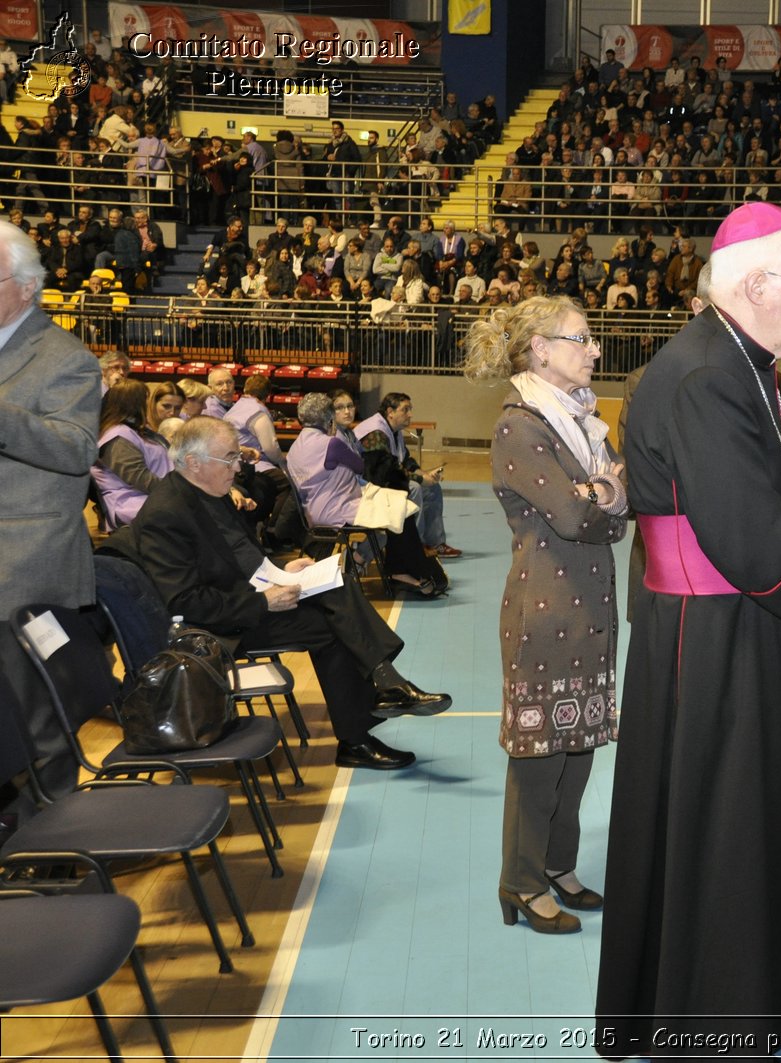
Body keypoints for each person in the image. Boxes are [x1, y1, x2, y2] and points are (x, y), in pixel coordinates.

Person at [596, 202, 781, 1056]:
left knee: (751, 814)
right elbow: (751, 538)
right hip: (720, 630)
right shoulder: (711, 371)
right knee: (728, 821)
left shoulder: (739, 360)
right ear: (755, 284)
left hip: (732, 623)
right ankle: (716, 1015)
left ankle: (757, 987)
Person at [102, 417, 453, 771]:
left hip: (246, 598)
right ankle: (374, 706)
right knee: (332, 624)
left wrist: (281, 572)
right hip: (217, 627)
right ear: (193, 463)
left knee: (337, 586)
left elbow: (239, 558)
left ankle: (376, 703)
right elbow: (185, 602)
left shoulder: (210, 492)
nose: (238, 467)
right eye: (229, 458)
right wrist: (264, 601)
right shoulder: (167, 513)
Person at [462, 295, 628, 936]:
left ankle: (559, 865)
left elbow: (621, 494)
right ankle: (520, 882)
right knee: (539, 755)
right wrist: (601, 492)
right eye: (581, 338)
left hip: (587, 607)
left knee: (580, 745)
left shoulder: (581, 421)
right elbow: (576, 515)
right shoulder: (521, 425)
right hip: (545, 607)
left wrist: (604, 491)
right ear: (541, 349)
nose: (594, 350)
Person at [0, 220, 102, 805]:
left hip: (25, 564)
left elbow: (75, 450)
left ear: (26, 285)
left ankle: (57, 840)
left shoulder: (66, 358)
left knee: (36, 713)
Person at [285, 394, 446, 598]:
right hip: (336, 508)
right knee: (399, 510)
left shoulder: (295, 446)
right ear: (328, 418)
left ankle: (363, 560)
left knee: (395, 510)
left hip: (315, 508)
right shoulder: (331, 443)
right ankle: (399, 572)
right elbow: (359, 465)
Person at [355, 393, 459, 559]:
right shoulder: (375, 433)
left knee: (431, 488)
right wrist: (418, 479)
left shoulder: (394, 430)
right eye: (405, 410)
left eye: (410, 409)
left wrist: (424, 475)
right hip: (367, 487)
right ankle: (414, 548)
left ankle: (434, 543)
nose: (410, 414)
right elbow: (384, 471)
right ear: (390, 411)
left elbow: (405, 460)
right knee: (415, 488)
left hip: (384, 480)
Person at [91, 378, 173, 529]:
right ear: (135, 404)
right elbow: (141, 479)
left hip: (155, 499)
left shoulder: (138, 430)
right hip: (133, 505)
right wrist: (180, 491)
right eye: (147, 400)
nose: (151, 405)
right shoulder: (116, 436)